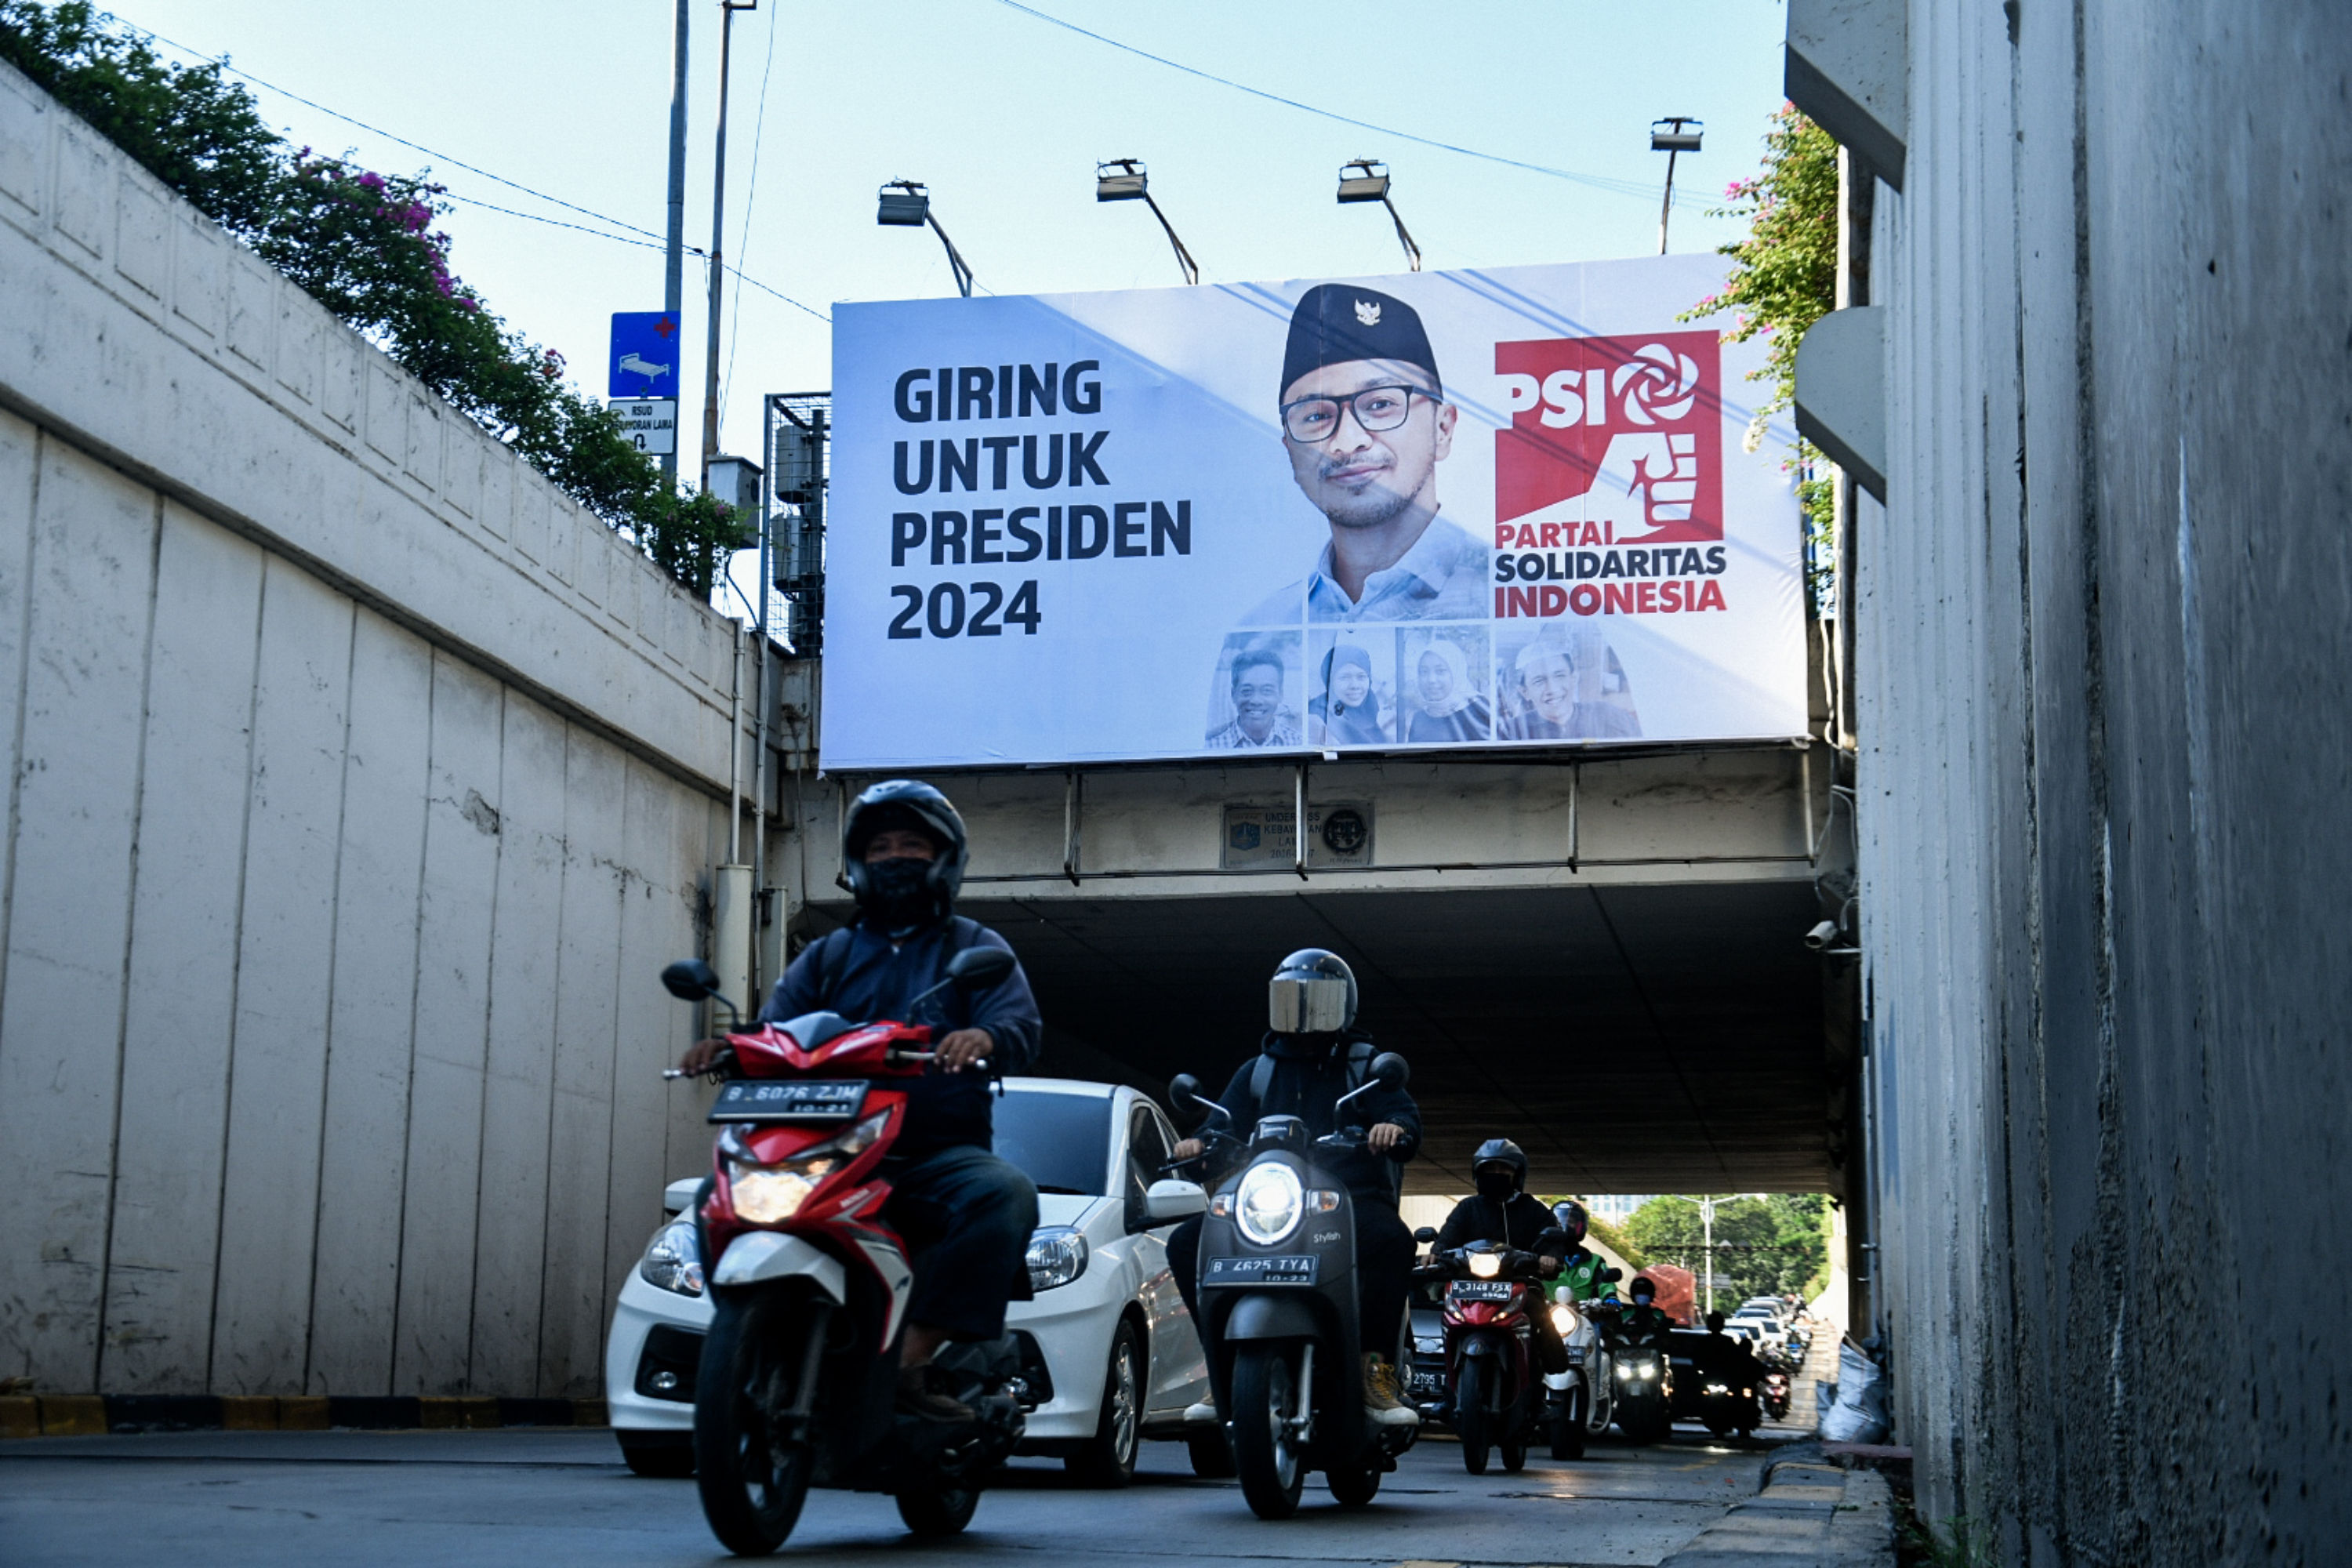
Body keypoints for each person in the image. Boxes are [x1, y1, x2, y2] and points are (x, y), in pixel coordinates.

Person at [676, 779, 1042, 1425]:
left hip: (928, 1155)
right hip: (824, 1150)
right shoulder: (828, 956)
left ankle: (913, 1359)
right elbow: (776, 1030)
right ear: (856, 861)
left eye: (911, 845)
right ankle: (757, 1339)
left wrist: (983, 1035)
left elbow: (1018, 1027)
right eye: (880, 847)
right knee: (716, 1199)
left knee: (1003, 1193)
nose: (894, 857)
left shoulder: (976, 949)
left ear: (944, 859)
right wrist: (729, 1048)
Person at [1165, 949, 1423, 1426]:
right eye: (1292, 997)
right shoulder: (1258, 1070)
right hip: (1270, 1204)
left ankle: (1376, 1368)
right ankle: (1216, 1364)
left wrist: (1391, 1128)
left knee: (1392, 1241)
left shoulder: (1365, 1067)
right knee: (1185, 1243)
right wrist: (1197, 1147)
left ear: (1342, 1006)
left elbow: (1403, 1117)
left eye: (1318, 999)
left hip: (1348, 1200)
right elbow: (1223, 1130)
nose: (1304, 1009)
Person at [1237, 285, 1485, 626]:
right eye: (1316, 416)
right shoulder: (1262, 632)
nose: (1348, 441)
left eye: (1381, 405)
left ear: (1442, 429)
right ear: (1289, 451)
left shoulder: (1525, 601)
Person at [1432, 1138, 1570, 1372]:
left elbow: (1553, 1239)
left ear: (1517, 1173)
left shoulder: (1532, 1208)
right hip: (1469, 1288)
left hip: (1518, 1284)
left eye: (1503, 1168)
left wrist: (1550, 1256)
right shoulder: (1468, 1208)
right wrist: (1434, 1255)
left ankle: (1537, 1398)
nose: (1496, 1173)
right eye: (1490, 1169)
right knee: (1443, 1320)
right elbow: (1447, 1238)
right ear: (1478, 1174)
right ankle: (1447, 1386)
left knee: (1540, 1316)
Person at [1496, 622, 1641, 740]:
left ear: (1574, 679)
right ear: (1525, 692)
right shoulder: (1514, 731)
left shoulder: (1607, 715)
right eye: (1539, 681)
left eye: (1559, 676)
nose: (1552, 689)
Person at [1206, 646, 1304, 749]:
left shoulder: (1297, 743)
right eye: (1247, 691)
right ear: (1233, 694)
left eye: (1267, 691)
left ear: (1280, 694)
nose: (1256, 700)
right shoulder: (1210, 746)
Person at [1403, 636, 1490, 742]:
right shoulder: (1419, 718)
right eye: (1424, 672)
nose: (1431, 680)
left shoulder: (1478, 710)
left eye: (1440, 671)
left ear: (1457, 673)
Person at [1307, 642, 1388, 746]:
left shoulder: (1371, 708)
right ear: (1329, 682)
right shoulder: (1316, 715)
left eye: (1361, 677)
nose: (1354, 685)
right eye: (1344, 677)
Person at [1548, 1200, 1615, 1304]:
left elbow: (1604, 1283)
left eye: (1570, 1222)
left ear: (1580, 1227)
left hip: (1585, 1315)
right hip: (1546, 1314)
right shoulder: (1541, 1257)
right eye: (1559, 1222)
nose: (1564, 1225)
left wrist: (1610, 1296)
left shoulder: (1595, 1261)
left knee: (1612, 1319)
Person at [1610, 1276, 1676, 1350]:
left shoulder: (1658, 1315)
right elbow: (1616, 1331)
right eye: (1638, 1293)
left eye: (1645, 1293)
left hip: (1651, 1353)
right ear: (1633, 1295)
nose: (1641, 1296)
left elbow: (1665, 1333)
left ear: (1651, 1295)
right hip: (1626, 1354)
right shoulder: (1624, 1314)